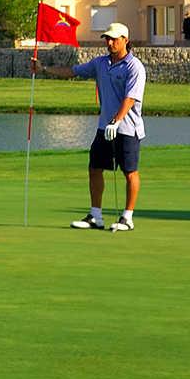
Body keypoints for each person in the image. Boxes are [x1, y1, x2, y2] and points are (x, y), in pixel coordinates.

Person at [34, 22, 144, 231]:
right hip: (105, 128)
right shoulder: (100, 63)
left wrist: (117, 121)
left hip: (127, 128)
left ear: (125, 40)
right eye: (107, 39)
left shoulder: (134, 66)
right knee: (94, 168)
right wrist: (44, 69)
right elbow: (73, 71)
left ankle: (127, 218)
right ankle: (96, 216)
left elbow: (130, 98)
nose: (109, 42)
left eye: (114, 39)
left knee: (130, 172)